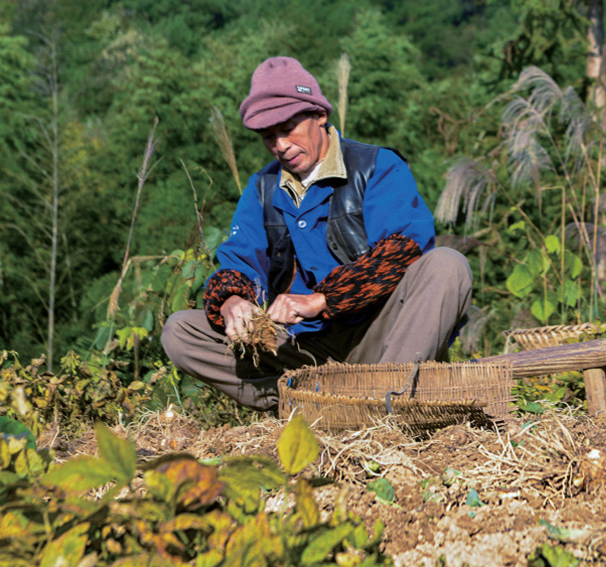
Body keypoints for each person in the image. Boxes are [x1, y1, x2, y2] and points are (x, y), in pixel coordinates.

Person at [161, 56, 472, 412]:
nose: (280, 145)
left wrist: (322, 299)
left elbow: (403, 251)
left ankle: (391, 404)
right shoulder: (262, 188)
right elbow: (239, 261)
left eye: (288, 128)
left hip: (382, 338)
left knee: (447, 264)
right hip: (302, 351)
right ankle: (312, 402)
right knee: (181, 331)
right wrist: (232, 301)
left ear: (320, 114)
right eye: (268, 136)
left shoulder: (378, 166)